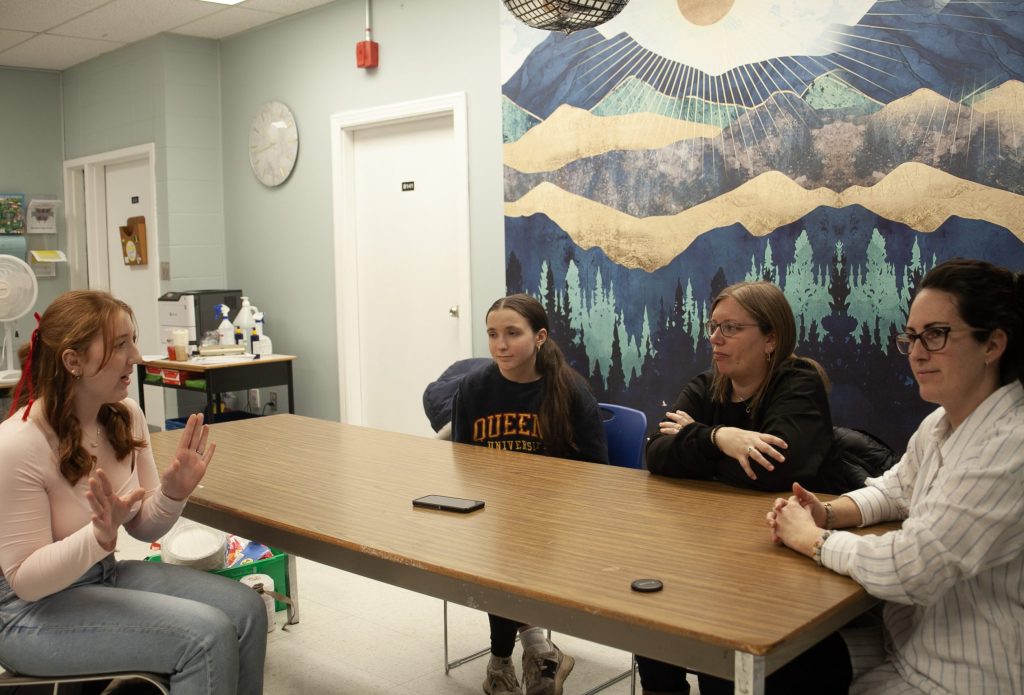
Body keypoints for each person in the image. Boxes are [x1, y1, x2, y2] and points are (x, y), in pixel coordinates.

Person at [768, 258, 1024, 694]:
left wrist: (812, 540)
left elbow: (912, 568)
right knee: (773, 663)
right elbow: (895, 489)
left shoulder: (1009, 444)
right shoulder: (942, 422)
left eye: (937, 335)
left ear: (992, 344)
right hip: (910, 641)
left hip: (966, 672)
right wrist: (826, 513)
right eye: (912, 336)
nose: (918, 352)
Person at [0, 290, 267, 694]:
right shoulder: (18, 442)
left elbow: (144, 528)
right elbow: (26, 582)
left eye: (133, 341)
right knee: (204, 635)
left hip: (102, 577)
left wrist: (174, 493)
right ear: (72, 361)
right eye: (121, 345)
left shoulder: (126, 415)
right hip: (28, 615)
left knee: (247, 610)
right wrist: (98, 538)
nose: (138, 357)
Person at [640, 280, 843, 695]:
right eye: (713, 326)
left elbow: (773, 475)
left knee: (721, 644)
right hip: (717, 545)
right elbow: (657, 454)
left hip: (781, 551)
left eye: (731, 328)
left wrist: (694, 440)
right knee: (651, 623)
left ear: (771, 338)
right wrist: (721, 439)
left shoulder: (799, 385)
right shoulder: (705, 386)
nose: (716, 338)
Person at [450, 293, 608, 695]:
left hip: (557, 516)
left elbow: (596, 469)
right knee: (499, 545)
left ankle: (505, 658)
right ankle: (537, 650)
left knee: (508, 551)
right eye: (492, 334)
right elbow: (461, 462)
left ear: (539, 337)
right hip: (493, 512)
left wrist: (544, 503)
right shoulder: (473, 389)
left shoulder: (570, 390)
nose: (500, 345)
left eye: (512, 334)